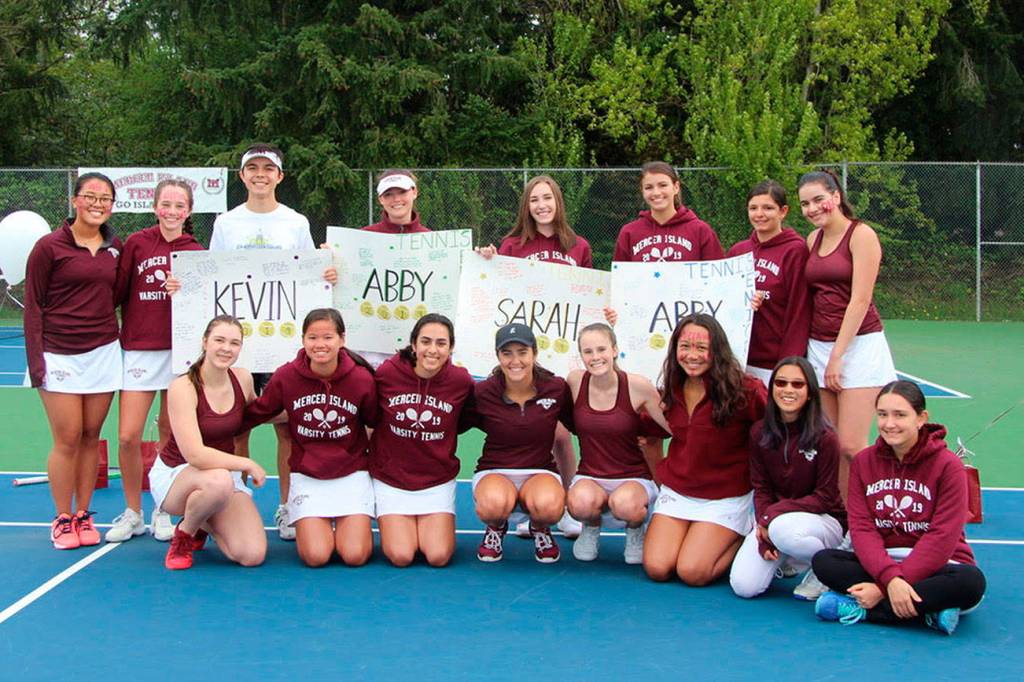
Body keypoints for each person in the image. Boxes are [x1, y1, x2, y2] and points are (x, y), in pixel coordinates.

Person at [209, 143, 335, 541]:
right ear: (242, 176)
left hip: (281, 345)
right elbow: (212, 277)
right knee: (237, 429)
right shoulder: (226, 224)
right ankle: (237, 501)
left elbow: (308, 276)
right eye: (253, 169)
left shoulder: (295, 222)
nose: (260, 175)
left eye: (268, 169)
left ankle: (287, 507)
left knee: (287, 432)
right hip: (239, 348)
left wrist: (325, 273)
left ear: (280, 176)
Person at [812, 381, 986, 635]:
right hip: (883, 560)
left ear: (921, 418)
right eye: (882, 414)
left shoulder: (948, 466)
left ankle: (864, 610)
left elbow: (941, 537)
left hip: (939, 565)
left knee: (971, 583)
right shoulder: (864, 462)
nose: (889, 423)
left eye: (900, 415)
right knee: (824, 562)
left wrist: (884, 588)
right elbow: (862, 529)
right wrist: (890, 578)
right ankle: (928, 611)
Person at [475, 174, 591, 538]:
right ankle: (527, 508)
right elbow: (496, 288)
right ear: (526, 206)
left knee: (559, 434)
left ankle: (568, 502)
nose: (541, 205)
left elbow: (589, 294)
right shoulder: (512, 245)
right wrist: (488, 261)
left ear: (558, 202)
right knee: (525, 427)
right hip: (522, 354)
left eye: (547, 198)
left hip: (562, 347)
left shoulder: (579, 246)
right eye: (534, 200)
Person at [24, 172, 123, 549]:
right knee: (66, 438)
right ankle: (62, 518)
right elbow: (33, 306)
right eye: (91, 196)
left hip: (103, 353)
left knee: (89, 437)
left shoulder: (117, 248)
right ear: (75, 201)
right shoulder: (49, 247)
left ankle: (83, 514)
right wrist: (37, 364)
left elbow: (118, 295)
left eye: (105, 199)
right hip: (58, 354)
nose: (98, 204)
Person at [107, 179, 204, 543]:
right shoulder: (136, 243)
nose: (173, 212)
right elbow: (116, 293)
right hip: (138, 348)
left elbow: (203, 304)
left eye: (180, 206)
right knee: (128, 435)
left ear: (189, 211)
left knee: (169, 433)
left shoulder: (195, 249)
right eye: (166, 204)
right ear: (155, 205)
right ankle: (133, 511)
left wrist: (187, 289)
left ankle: (163, 508)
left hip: (179, 352)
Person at [242, 309, 378, 567]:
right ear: (303, 339)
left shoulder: (361, 378)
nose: (320, 345)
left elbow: (375, 422)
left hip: (351, 474)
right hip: (308, 475)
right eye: (312, 338)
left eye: (328, 337)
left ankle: (348, 522)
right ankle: (317, 522)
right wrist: (215, 419)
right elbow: (258, 412)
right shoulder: (287, 375)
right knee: (316, 556)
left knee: (355, 555)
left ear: (342, 339)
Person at [642, 314, 767, 586]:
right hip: (679, 492)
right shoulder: (669, 391)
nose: (692, 355)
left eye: (701, 347)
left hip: (726, 496)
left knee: (692, 572)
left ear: (717, 350)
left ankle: (743, 533)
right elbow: (648, 437)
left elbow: (773, 438)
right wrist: (662, 480)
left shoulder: (745, 390)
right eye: (685, 346)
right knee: (657, 568)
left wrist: (767, 501)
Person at [799, 169, 896, 497]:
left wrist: (837, 357)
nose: (812, 209)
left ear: (836, 197)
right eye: (805, 204)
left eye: (818, 200)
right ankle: (843, 517)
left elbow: (860, 299)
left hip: (858, 348)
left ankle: (872, 516)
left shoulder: (862, 235)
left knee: (854, 446)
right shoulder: (812, 240)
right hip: (819, 348)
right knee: (832, 444)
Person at [152, 315, 266, 570]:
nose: (227, 348)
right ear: (205, 342)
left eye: (234, 343)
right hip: (178, 475)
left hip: (223, 480)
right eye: (219, 340)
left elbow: (259, 413)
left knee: (251, 555)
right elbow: (196, 455)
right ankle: (184, 533)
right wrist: (247, 463)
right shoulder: (183, 387)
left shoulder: (243, 378)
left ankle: (206, 518)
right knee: (218, 481)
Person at [729, 357, 845, 600]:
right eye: (781, 383)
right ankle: (788, 558)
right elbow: (761, 488)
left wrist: (771, 518)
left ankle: (826, 567)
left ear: (810, 392)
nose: (788, 390)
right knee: (744, 586)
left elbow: (824, 497)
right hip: (776, 522)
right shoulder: (759, 432)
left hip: (823, 521)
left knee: (783, 531)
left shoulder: (826, 438)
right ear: (772, 390)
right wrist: (763, 529)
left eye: (797, 384)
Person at [369, 314, 474, 567]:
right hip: (391, 479)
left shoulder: (461, 381)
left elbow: (466, 420)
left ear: (450, 348)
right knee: (401, 555)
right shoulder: (387, 374)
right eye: (425, 342)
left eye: (441, 343)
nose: (432, 350)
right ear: (414, 345)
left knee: (438, 556)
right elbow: (370, 416)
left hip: (436, 480)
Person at [462, 324, 574, 563]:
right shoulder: (482, 392)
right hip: (494, 470)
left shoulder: (556, 388)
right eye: (507, 353)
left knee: (549, 508)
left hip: (540, 471)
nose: (515, 360)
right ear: (498, 356)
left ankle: (540, 527)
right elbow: (453, 423)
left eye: (522, 352)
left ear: (534, 353)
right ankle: (495, 527)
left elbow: (582, 423)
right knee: (492, 506)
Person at [565, 323, 670, 564]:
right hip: (590, 476)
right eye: (588, 351)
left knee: (625, 505)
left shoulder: (638, 385)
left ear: (614, 350)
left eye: (601, 349)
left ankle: (635, 530)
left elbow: (672, 425)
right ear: (581, 355)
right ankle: (590, 528)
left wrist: (649, 436)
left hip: (634, 477)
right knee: (579, 503)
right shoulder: (574, 381)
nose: (595, 357)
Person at [726, 181, 811, 386]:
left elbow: (799, 311)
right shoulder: (738, 251)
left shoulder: (795, 251)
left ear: (783, 211)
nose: (759, 214)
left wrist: (788, 364)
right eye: (753, 208)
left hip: (774, 363)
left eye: (768, 208)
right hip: (739, 360)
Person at [612, 161, 722, 264]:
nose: (656, 192)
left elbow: (717, 279)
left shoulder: (700, 231)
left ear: (676, 187)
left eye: (663, 185)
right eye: (648, 187)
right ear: (642, 191)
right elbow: (620, 279)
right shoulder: (629, 233)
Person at [362, 169, 430, 234]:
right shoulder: (364, 236)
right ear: (380, 199)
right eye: (388, 194)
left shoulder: (430, 239)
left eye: (402, 192)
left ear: (414, 192)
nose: (396, 199)